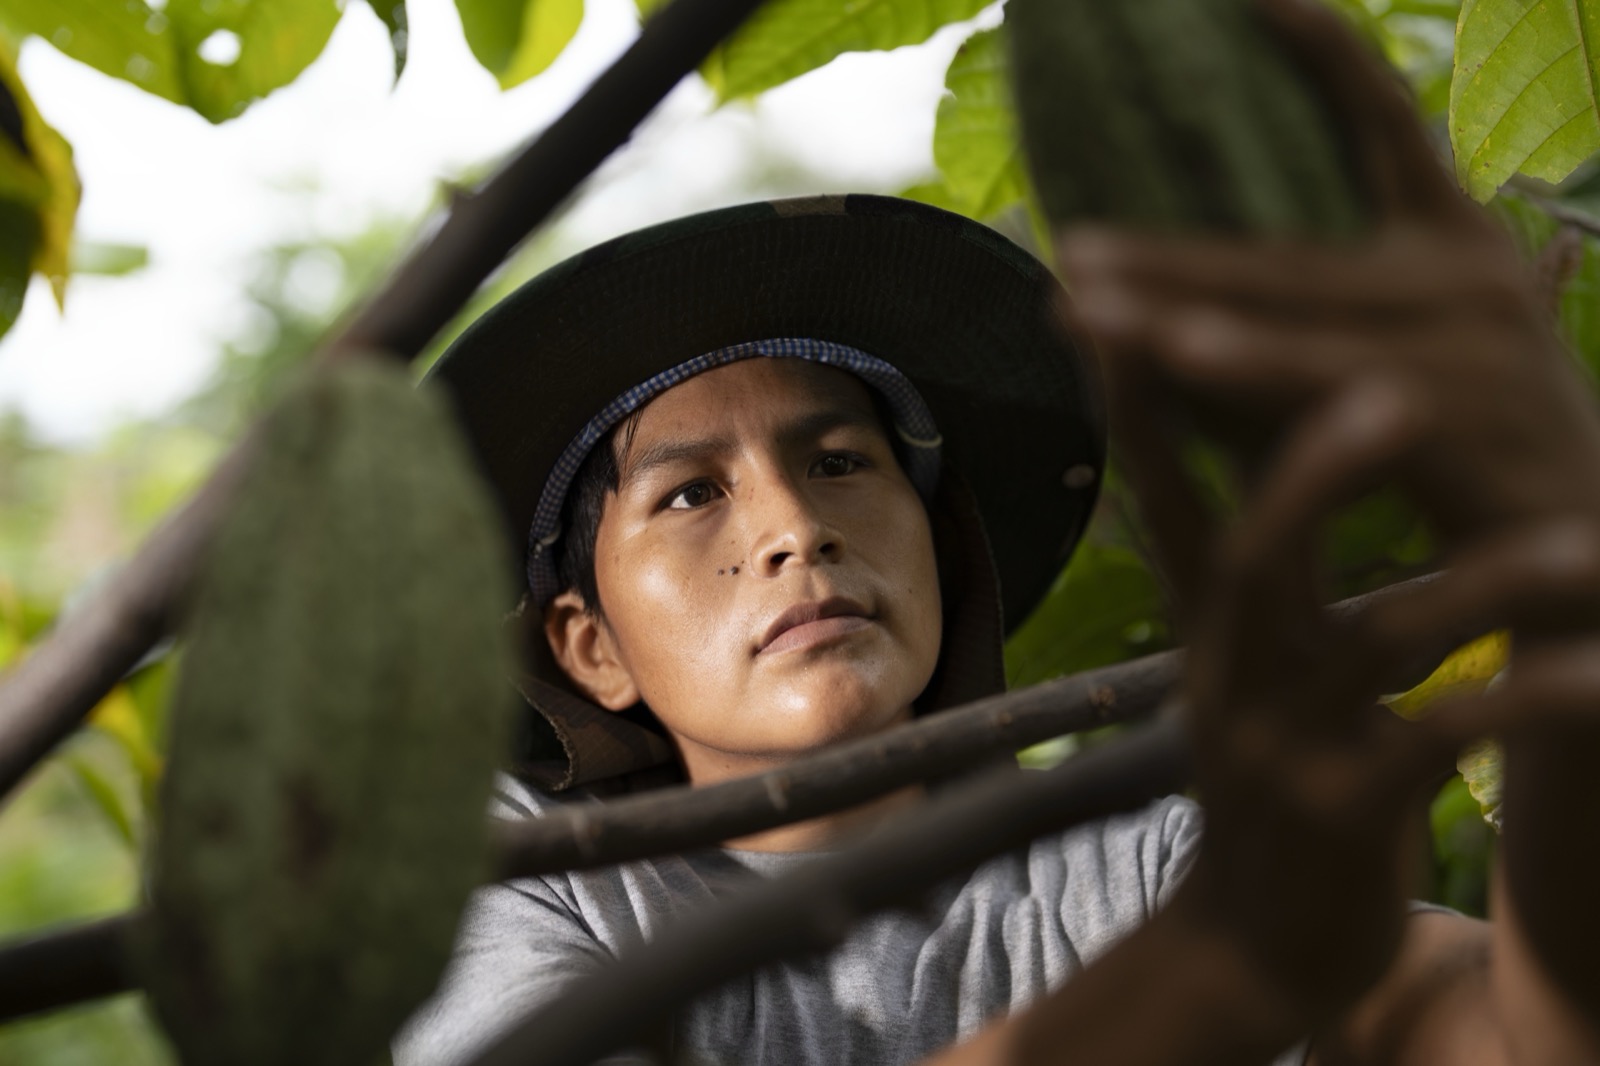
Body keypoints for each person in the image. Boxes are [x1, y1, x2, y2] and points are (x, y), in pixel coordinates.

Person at [396, 2, 1600, 1062]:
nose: (796, 528)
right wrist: (1181, 996)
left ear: (934, 539)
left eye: (838, 462)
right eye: (690, 493)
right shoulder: (519, 883)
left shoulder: (1138, 864)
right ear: (587, 642)